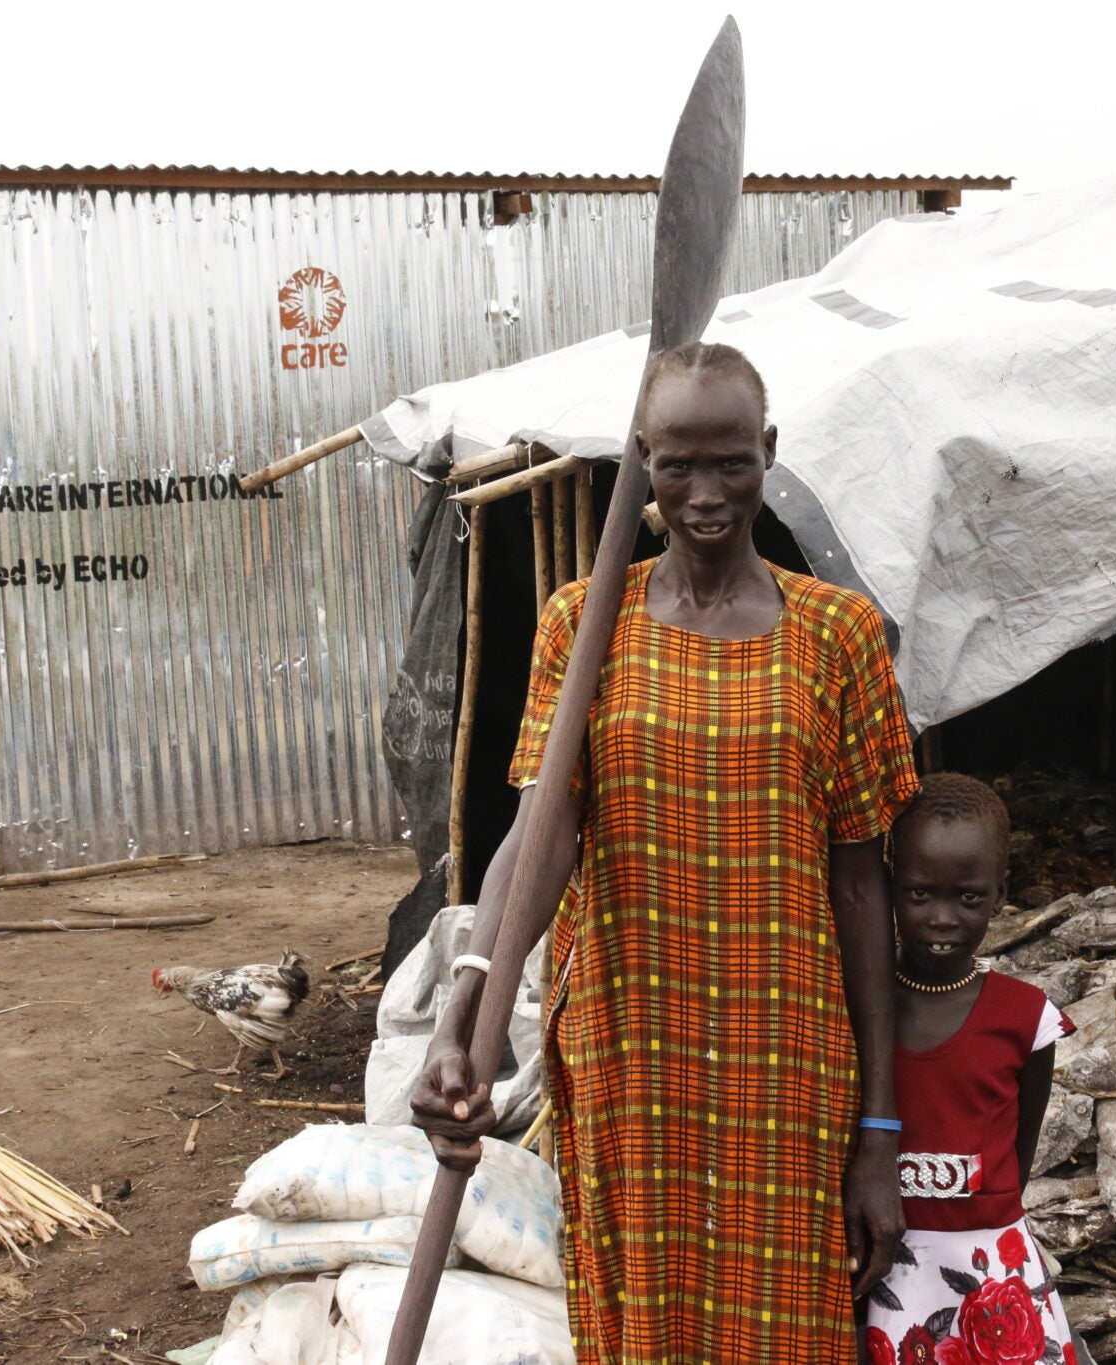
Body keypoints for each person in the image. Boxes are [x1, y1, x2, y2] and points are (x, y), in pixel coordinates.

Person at [410, 340, 921, 1363]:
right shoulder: (582, 624)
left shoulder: (837, 633)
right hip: (630, 1049)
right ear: (638, 459)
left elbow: (863, 889)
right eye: (675, 463)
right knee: (641, 1330)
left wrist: (876, 1129)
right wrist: (467, 1004)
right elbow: (539, 835)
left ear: (767, 451)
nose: (704, 493)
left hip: (787, 1060)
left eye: (729, 460)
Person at [866, 772, 1080, 1365]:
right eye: (919, 894)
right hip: (889, 1257)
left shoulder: (1025, 1015)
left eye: (968, 898)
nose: (942, 918)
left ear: (1000, 893)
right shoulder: (861, 1007)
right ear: (890, 887)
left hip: (987, 1262)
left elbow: (1019, 1149)